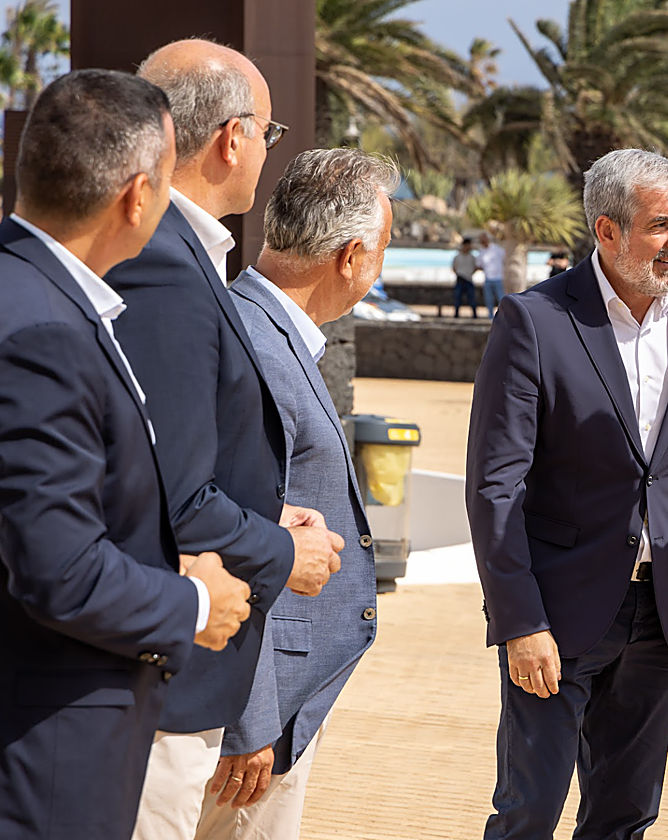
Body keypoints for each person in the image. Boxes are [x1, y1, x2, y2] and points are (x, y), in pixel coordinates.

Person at [0, 69, 252, 840]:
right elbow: (59, 571)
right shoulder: (41, 332)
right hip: (38, 761)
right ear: (137, 196)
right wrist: (197, 605)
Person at [466, 149, 668, 840]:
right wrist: (518, 622)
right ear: (607, 231)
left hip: (663, 615)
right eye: (662, 224)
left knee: (626, 815)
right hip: (556, 613)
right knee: (528, 812)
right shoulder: (533, 320)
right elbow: (494, 484)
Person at [103, 41, 342, 840]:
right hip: (161, 677)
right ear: (232, 138)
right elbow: (167, 489)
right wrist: (282, 549)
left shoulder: (175, 252)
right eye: (269, 136)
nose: (266, 158)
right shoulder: (164, 264)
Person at [196, 148, 396, 840]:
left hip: (279, 693)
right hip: (256, 705)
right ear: (349, 256)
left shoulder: (263, 328)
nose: (380, 270)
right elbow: (222, 529)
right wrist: (250, 719)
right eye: (382, 249)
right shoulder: (257, 342)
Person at [476, 232, 505, 316]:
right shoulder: (481, 252)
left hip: (498, 278)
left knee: (501, 298)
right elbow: (479, 265)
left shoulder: (496, 249)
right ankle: (490, 316)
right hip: (488, 278)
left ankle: (503, 316)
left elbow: (504, 259)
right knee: (489, 299)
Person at [452, 237, 479, 317]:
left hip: (468, 279)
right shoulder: (457, 257)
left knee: (472, 299)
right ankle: (456, 314)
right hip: (460, 278)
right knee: (457, 298)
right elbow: (454, 267)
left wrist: (470, 273)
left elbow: (475, 267)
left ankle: (474, 315)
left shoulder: (472, 257)